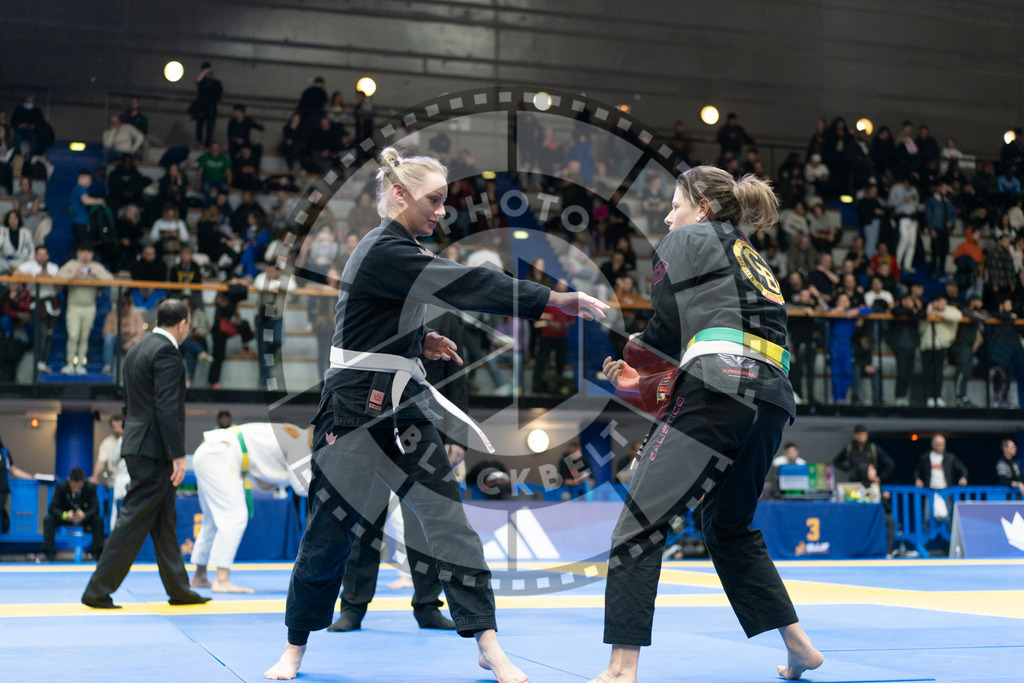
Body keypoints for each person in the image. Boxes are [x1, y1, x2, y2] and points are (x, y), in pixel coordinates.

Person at [264, 146, 607, 681]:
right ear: (398, 195)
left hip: (405, 407)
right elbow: (466, 283)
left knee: (450, 525)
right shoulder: (385, 249)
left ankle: (488, 643)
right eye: (435, 200)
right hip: (354, 411)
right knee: (330, 532)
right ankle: (294, 646)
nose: (442, 211)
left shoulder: (402, 249)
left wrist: (420, 340)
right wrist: (551, 300)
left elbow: (376, 318)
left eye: (445, 202)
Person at [595, 166, 821, 683]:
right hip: (772, 396)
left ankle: (620, 668)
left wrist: (633, 365)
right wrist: (647, 372)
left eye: (675, 206)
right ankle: (800, 646)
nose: (669, 218)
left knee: (640, 520)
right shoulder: (750, 255)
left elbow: (666, 326)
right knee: (727, 525)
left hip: (718, 383)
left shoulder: (689, 238)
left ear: (702, 207)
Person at [81, 299, 211, 609]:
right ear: (181, 324)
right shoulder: (168, 353)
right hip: (154, 450)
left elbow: (129, 405)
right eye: (188, 324)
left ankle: (180, 590)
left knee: (164, 520)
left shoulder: (136, 349)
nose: (188, 329)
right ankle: (97, 591)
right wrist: (178, 454)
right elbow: (166, 408)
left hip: (138, 443)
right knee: (132, 519)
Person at [190, 423, 312, 593]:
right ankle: (221, 579)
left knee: (211, 519)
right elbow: (302, 486)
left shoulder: (293, 434)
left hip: (211, 451)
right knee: (234, 517)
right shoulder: (301, 442)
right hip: (222, 454)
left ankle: (200, 576)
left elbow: (267, 482)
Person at [57, 245, 114, 375]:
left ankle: (81, 364)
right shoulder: (72, 264)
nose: (85, 255)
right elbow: (58, 276)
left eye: (88, 252)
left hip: (89, 307)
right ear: (78, 253)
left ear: (92, 254)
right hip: (73, 306)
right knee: (73, 335)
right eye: (83, 251)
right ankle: (70, 363)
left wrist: (96, 276)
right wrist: (74, 276)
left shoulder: (96, 266)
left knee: (84, 337)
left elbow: (110, 279)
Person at [42, 468, 105, 562]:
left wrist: (85, 515)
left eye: (79, 486)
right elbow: (52, 508)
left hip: (84, 518)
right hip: (66, 517)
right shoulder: (61, 487)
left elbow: (95, 508)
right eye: (73, 485)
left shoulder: (90, 488)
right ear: (69, 481)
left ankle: (97, 554)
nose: (76, 488)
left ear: (83, 482)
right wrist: (65, 515)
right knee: (48, 519)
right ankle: (49, 554)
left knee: (98, 520)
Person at [16, 245, 60, 373]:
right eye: (39, 254)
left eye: (44, 254)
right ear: (35, 255)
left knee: (49, 334)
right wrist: (36, 276)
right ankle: (38, 361)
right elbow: (16, 273)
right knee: (40, 332)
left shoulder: (53, 267)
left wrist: (49, 277)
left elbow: (60, 286)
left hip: (51, 303)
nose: (42, 257)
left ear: (48, 256)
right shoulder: (30, 266)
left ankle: (43, 361)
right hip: (36, 303)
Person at [0, 435, 34, 534]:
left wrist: (31, 477)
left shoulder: (4, 452)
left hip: (2, 490)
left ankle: (5, 526)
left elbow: (13, 470)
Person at [191, 62, 223, 148]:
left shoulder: (215, 83)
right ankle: (199, 141)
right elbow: (198, 80)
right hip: (201, 106)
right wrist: (204, 72)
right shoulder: (202, 82)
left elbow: (219, 95)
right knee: (200, 125)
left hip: (211, 107)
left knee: (210, 127)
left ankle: (208, 144)